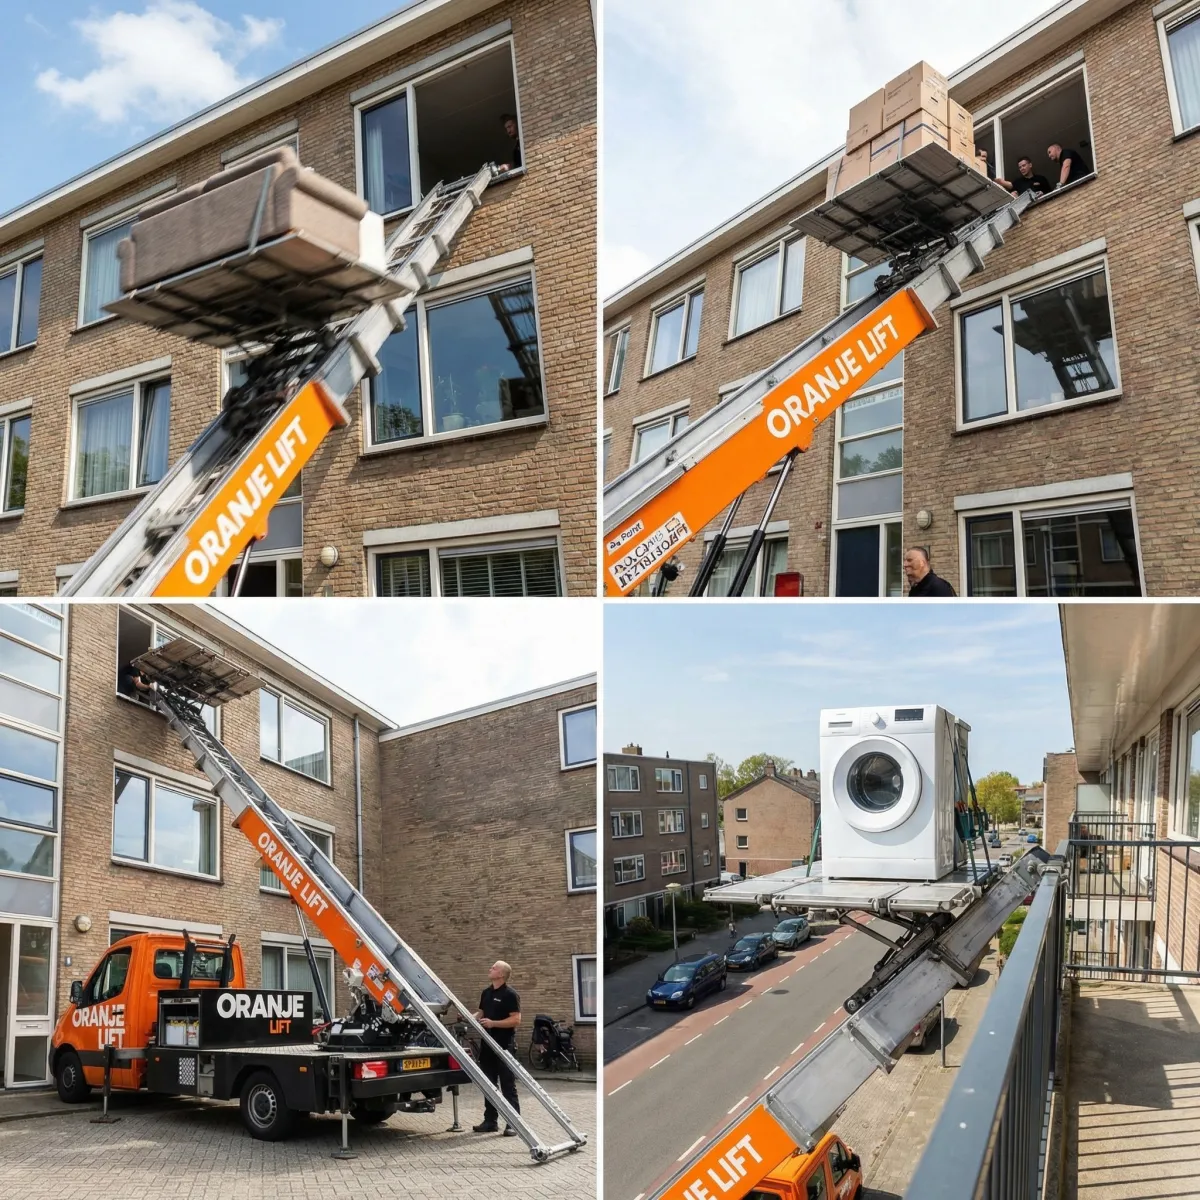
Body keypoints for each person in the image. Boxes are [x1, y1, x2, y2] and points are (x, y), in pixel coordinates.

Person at [473, 960, 522, 1136]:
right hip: (487, 1046)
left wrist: (493, 1023)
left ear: (501, 974)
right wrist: (468, 1017)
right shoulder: (486, 993)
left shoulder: (510, 994)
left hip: (504, 1046)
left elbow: (516, 1019)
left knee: (508, 1085)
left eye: (494, 967)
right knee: (489, 1084)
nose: (490, 968)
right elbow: (480, 1014)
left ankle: (514, 1124)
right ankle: (490, 1121)